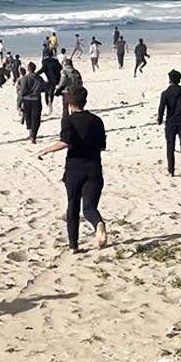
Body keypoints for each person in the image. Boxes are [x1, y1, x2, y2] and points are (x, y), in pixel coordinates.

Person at [38, 86, 107, 253]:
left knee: (73, 205)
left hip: (75, 169)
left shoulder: (68, 120)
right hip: (94, 167)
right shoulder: (97, 120)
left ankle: (73, 245)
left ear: (70, 102)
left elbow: (65, 142)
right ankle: (98, 223)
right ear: (85, 101)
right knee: (90, 207)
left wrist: (45, 150)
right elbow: (102, 146)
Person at [157, 69, 181, 177]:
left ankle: (171, 170)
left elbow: (161, 108)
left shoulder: (165, 93)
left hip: (171, 122)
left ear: (170, 80)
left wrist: (159, 119)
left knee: (170, 147)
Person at [17, 61, 46, 143]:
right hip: (36, 99)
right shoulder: (39, 78)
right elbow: (44, 88)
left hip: (27, 100)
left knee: (28, 117)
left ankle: (30, 132)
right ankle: (34, 135)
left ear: (28, 69)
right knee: (36, 118)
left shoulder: (25, 78)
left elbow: (22, 92)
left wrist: (19, 104)